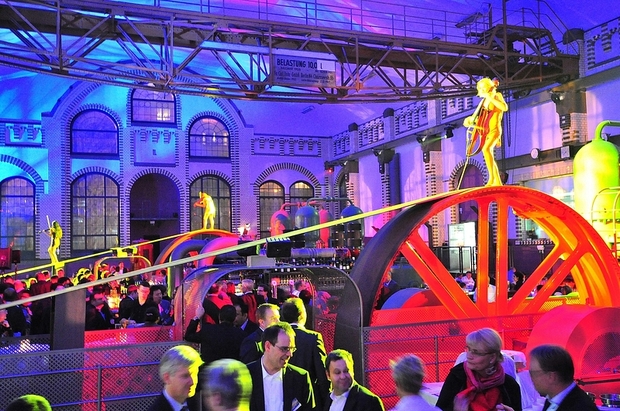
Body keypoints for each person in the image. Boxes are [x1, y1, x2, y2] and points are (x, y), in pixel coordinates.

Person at [436, 328, 521, 411]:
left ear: (492, 358)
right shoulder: (457, 376)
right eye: (468, 349)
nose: (469, 356)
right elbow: (440, 408)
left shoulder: (510, 385)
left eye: (476, 352)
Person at [246, 322, 315, 411]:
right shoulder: (244, 376)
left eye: (292, 349)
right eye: (284, 349)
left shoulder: (300, 378)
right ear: (268, 346)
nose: (290, 354)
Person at [280, 298, 330, 409]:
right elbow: (322, 373)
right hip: (310, 398)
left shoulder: (277, 338)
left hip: (283, 397)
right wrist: (327, 400)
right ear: (302, 314)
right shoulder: (313, 338)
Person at [463, 77, 508, 187]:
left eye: (483, 88)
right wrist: (469, 120)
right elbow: (476, 116)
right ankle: (497, 181)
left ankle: (491, 178)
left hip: (495, 129)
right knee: (489, 154)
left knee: (486, 149)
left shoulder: (497, 96)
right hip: (485, 131)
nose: (482, 91)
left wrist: (491, 98)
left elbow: (504, 107)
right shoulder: (483, 102)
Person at [527, 345, 598, 411]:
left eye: (534, 373)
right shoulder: (553, 398)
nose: (531, 378)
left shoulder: (581, 408)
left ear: (551, 377)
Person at [147, 345, 204, 411]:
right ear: (167, 378)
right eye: (185, 376)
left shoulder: (195, 403)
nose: (192, 382)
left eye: (195, 374)